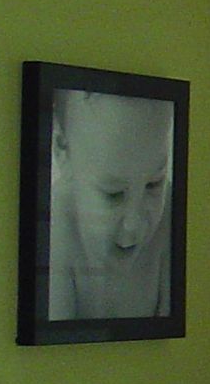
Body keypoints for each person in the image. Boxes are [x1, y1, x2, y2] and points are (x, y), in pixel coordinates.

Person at [48, 89, 174, 320]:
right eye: (113, 194)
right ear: (61, 150)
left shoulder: (170, 216)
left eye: (154, 185)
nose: (133, 225)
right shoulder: (57, 229)